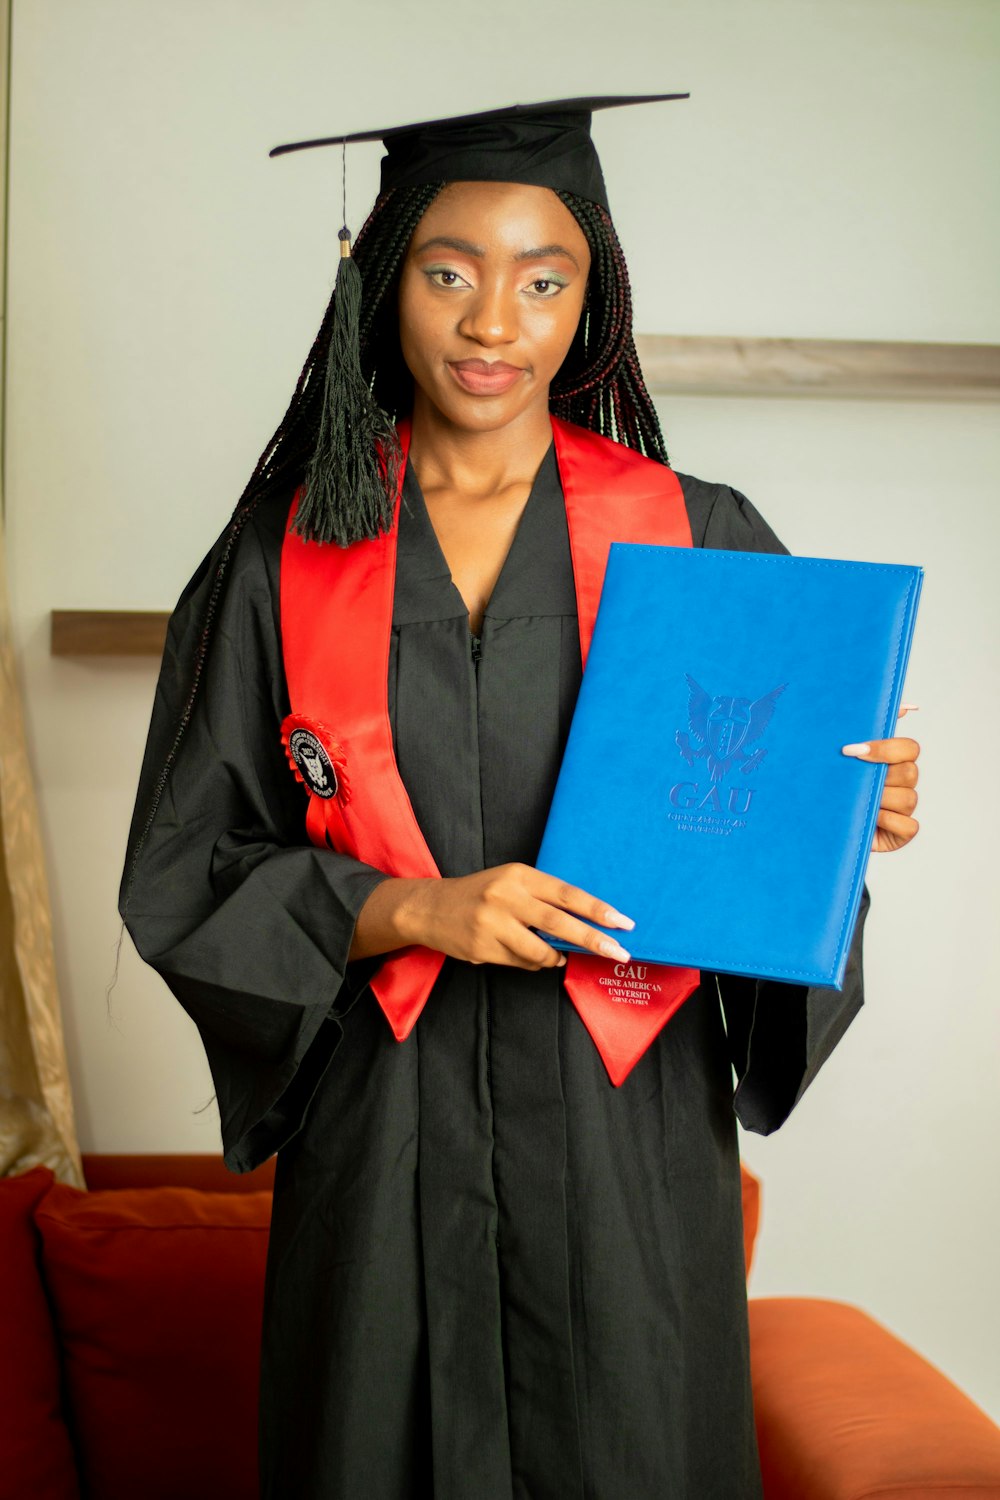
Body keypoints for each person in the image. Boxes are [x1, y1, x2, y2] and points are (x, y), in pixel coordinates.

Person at [121, 99, 920, 1500]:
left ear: (589, 301)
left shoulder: (697, 534)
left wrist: (842, 816)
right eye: (451, 270)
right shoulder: (280, 561)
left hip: (625, 1142)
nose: (496, 319)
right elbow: (186, 868)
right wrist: (405, 906)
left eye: (544, 277)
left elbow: (764, 851)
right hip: (386, 1142)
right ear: (380, 281)